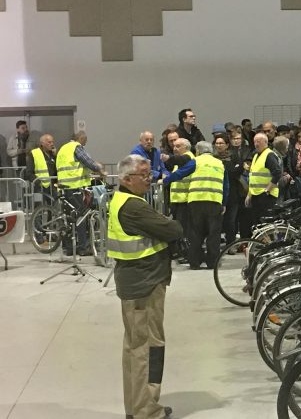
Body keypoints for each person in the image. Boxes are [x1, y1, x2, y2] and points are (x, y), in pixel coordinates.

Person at [107, 154, 182, 419]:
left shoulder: (123, 200)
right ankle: (146, 410)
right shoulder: (134, 207)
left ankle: (138, 406)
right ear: (127, 179)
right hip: (145, 284)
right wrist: (172, 224)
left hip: (136, 282)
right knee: (147, 348)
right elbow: (173, 230)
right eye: (143, 174)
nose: (149, 179)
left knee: (135, 347)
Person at [56, 131, 107, 255]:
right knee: (82, 217)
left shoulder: (63, 148)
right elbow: (87, 161)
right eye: (85, 140)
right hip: (74, 187)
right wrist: (99, 170)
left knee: (69, 219)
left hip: (64, 187)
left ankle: (68, 249)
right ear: (81, 138)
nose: (86, 143)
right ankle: (84, 248)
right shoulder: (76, 147)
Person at [185, 141, 227, 269]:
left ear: (197, 151)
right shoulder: (219, 163)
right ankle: (213, 262)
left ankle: (195, 262)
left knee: (195, 233)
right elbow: (225, 185)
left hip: (195, 201)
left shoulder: (194, 162)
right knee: (213, 234)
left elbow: (183, 176)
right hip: (214, 201)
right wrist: (224, 202)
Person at [163, 137, 195, 261]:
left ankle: (187, 254)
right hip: (177, 200)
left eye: (178, 146)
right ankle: (181, 252)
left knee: (185, 230)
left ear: (186, 147)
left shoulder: (188, 157)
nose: (174, 149)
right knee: (179, 229)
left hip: (184, 200)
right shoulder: (180, 162)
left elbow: (180, 160)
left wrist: (168, 158)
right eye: (174, 146)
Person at [246, 133, 283, 227]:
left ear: (265, 142)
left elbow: (278, 172)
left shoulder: (269, 155)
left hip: (266, 196)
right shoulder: (255, 156)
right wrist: (249, 194)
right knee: (257, 224)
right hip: (256, 195)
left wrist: (267, 190)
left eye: (258, 141)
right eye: (254, 142)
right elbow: (253, 177)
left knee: (265, 224)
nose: (256, 144)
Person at [214, 133, 243, 246]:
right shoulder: (213, 158)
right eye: (217, 143)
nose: (219, 145)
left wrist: (228, 169)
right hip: (217, 193)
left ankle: (231, 244)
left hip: (232, 193)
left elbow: (236, 171)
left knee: (231, 221)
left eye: (221, 143)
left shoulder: (234, 156)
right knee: (217, 221)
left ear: (227, 145)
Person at [25, 133, 57, 203]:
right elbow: (28, 173)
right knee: (40, 209)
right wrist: (38, 182)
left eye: (52, 142)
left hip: (52, 186)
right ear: (42, 143)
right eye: (49, 142)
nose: (52, 144)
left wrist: (55, 156)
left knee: (54, 209)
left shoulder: (52, 155)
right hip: (39, 187)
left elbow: (56, 169)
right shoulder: (34, 153)